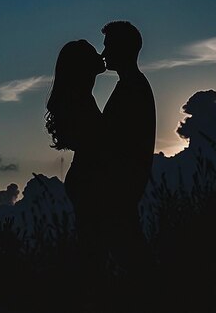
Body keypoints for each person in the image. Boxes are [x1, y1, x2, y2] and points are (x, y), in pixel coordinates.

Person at [45, 40, 106, 281]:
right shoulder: (79, 101)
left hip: (84, 176)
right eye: (93, 53)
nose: (100, 54)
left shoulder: (80, 98)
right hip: (88, 178)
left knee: (93, 248)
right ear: (82, 66)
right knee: (93, 251)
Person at [100, 21, 156, 278]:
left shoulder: (132, 89)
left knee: (133, 263)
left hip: (120, 191)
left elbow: (118, 142)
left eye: (108, 46)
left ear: (122, 49)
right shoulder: (131, 86)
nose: (103, 53)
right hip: (121, 191)